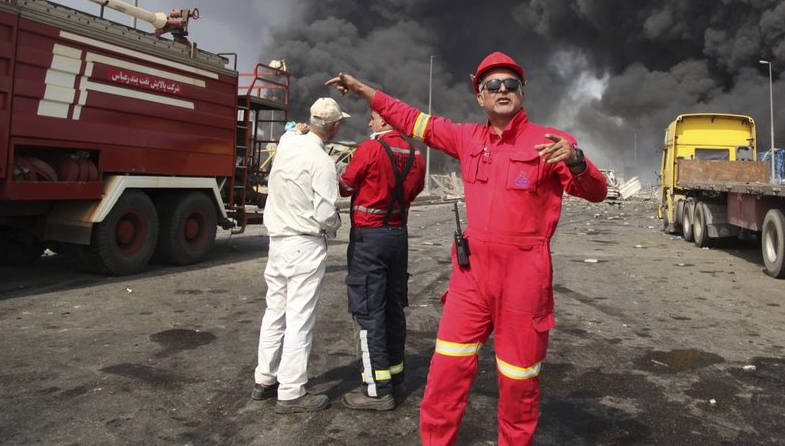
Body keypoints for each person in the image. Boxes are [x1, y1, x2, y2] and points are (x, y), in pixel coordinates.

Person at [326, 51, 608, 445]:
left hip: (524, 280)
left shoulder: (552, 143)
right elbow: (410, 119)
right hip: (471, 279)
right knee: (445, 375)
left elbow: (596, 192)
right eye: (492, 85)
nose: (502, 90)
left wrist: (578, 162)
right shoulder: (465, 138)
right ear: (480, 97)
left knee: (517, 383)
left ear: (522, 93)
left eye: (511, 84)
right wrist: (363, 91)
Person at [251, 97, 349, 414]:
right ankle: (291, 392)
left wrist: (298, 128)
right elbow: (325, 212)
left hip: (276, 242)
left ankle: (265, 380)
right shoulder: (322, 163)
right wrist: (335, 224)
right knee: (300, 318)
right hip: (304, 244)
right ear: (334, 128)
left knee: (274, 312)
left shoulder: (288, 141)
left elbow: (292, 129)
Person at [338, 109, 426, 411]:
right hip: (398, 236)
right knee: (392, 309)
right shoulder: (417, 153)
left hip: (369, 240)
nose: (369, 122)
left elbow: (345, 185)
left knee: (367, 312)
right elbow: (415, 190)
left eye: (373, 118)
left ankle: (376, 390)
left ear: (386, 122)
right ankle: (396, 380)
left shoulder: (371, 148)